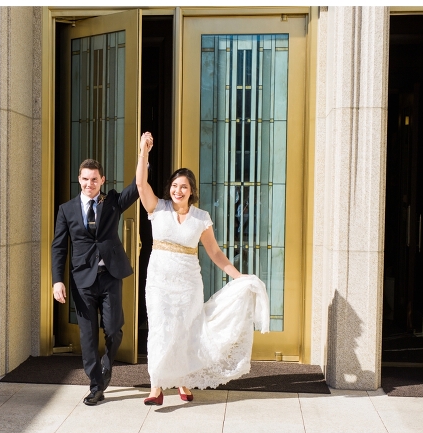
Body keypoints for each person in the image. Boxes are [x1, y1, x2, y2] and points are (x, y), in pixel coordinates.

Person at [136, 132, 270, 405]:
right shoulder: (157, 209)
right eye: (174, 185)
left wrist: (238, 275)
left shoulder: (201, 218)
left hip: (188, 284)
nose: (178, 190)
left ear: (192, 191)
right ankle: (156, 386)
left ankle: (183, 381)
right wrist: (143, 152)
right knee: (161, 329)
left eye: (184, 186)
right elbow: (140, 183)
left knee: (186, 330)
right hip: (159, 282)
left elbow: (215, 252)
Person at [52, 158, 139, 406]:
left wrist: (143, 155)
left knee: (113, 329)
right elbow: (59, 247)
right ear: (79, 180)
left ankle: (106, 365)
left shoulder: (112, 202)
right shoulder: (66, 209)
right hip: (82, 281)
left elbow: (137, 187)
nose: (89, 183)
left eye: (94, 179)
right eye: (85, 179)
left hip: (110, 276)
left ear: (102, 180)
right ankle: (96, 385)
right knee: (88, 336)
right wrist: (57, 281)